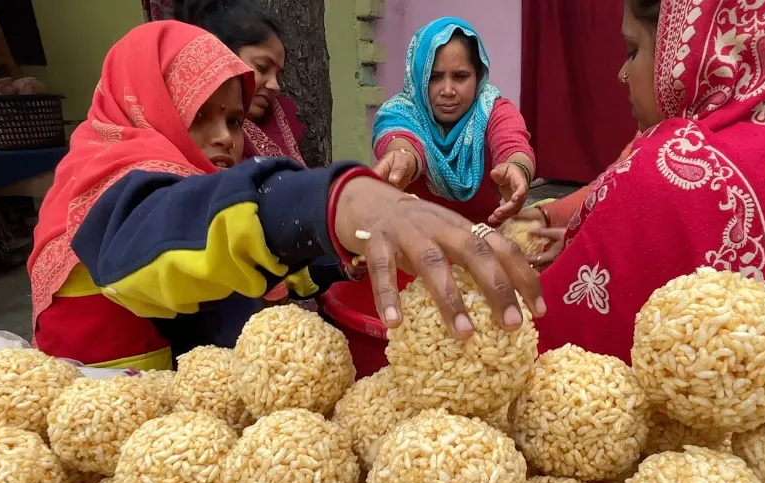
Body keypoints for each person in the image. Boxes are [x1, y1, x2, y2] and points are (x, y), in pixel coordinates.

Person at [29, 21, 541, 371]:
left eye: (232, 119)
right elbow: (169, 237)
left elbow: (247, 263)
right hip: (109, 387)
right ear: (145, 104)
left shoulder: (495, 111)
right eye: (200, 115)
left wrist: (339, 264)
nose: (226, 137)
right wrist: (331, 200)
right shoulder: (110, 184)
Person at [532, 0, 765, 401]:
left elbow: (558, 337)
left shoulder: (678, 165)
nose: (623, 73)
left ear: (689, 55)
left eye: (634, 50)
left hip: (731, 445)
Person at [372, 17, 534, 226]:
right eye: (434, 77)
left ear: (478, 76)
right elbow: (401, 140)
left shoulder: (493, 110)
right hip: (413, 242)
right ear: (418, 77)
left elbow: (512, 142)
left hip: (484, 242)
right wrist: (404, 157)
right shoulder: (400, 113)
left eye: (460, 76)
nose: (447, 90)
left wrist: (517, 169)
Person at [184, 0, 306, 164]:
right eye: (262, 67)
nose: (275, 85)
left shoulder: (281, 117)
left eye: (279, 76)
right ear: (221, 54)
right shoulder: (186, 119)